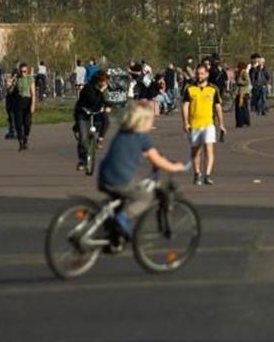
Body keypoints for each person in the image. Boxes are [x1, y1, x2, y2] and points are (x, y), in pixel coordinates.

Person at [97, 102, 190, 239]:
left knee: (122, 198)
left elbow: (142, 153)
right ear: (143, 121)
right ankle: (122, 218)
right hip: (121, 179)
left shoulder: (122, 133)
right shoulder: (142, 138)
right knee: (145, 197)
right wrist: (175, 167)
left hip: (104, 176)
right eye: (151, 119)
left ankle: (112, 231)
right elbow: (156, 160)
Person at [182, 64, 225, 187]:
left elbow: (218, 107)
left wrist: (221, 124)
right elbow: (185, 106)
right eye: (197, 73)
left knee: (208, 149)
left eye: (201, 73)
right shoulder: (189, 88)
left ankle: (207, 175)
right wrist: (185, 122)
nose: (199, 76)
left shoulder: (213, 89)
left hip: (208, 124)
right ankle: (197, 174)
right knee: (196, 151)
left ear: (206, 74)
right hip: (194, 125)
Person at [74, 71, 113, 170]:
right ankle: (82, 161)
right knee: (83, 139)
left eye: (106, 81)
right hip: (83, 113)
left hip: (96, 112)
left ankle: (99, 139)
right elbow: (93, 101)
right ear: (99, 81)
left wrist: (108, 106)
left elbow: (107, 100)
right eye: (104, 81)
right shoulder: (89, 88)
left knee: (106, 121)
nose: (105, 83)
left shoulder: (105, 88)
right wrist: (101, 91)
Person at [11, 62, 37, 150]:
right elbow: (10, 91)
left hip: (27, 102)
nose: (23, 73)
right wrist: (12, 84)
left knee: (27, 123)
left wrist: (33, 105)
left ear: (27, 70)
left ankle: (25, 137)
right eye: (21, 72)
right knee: (18, 124)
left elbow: (33, 94)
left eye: (25, 71)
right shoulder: (17, 79)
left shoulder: (30, 79)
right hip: (18, 103)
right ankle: (21, 142)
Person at [233, 62, 252, 128]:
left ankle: (245, 121)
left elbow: (247, 81)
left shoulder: (244, 72)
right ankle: (239, 122)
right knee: (238, 108)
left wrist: (240, 82)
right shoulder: (238, 73)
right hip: (238, 92)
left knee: (243, 108)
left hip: (243, 93)